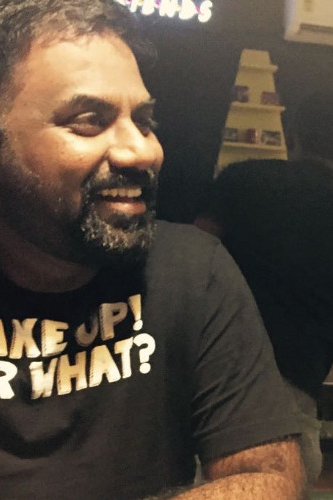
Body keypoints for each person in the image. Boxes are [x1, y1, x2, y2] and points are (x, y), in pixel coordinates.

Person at [0, 1, 305, 499]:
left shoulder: (192, 271)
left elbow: (269, 478)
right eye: (89, 121)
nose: (143, 151)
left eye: (144, 120)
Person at [195, 90, 333, 485]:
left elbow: (195, 251)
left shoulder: (244, 178)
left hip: (212, 373)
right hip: (293, 388)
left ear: (292, 134)